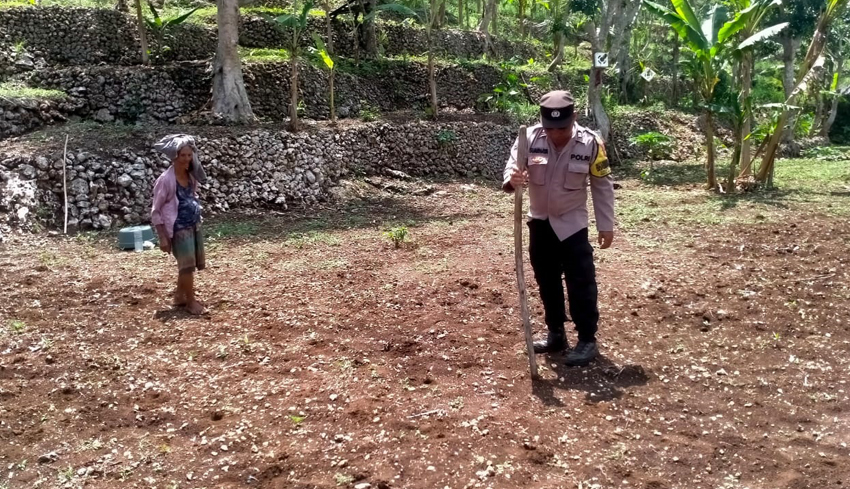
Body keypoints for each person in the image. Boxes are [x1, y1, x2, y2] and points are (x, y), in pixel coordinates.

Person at [502, 90, 615, 366]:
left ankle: (587, 339)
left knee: (581, 283)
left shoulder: (591, 142)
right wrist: (512, 178)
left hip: (573, 225)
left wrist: (606, 225)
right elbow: (511, 168)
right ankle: (556, 333)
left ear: (573, 117)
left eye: (562, 128)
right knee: (547, 282)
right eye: (550, 129)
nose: (555, 135)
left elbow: (602, 185)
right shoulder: (527, 138)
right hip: (539, 224)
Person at [150, 134, 208, 315]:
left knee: (187, 264)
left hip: (192, 224)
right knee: (187, 266)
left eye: (189, 155)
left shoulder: (191, 176)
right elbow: (156, 210)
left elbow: (192, 195)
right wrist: (162, 237)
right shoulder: (165, 180)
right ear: (175, 156)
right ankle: (190, 302)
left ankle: (179, 296)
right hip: (177, 228)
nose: (187, 159)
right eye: (183, 155)